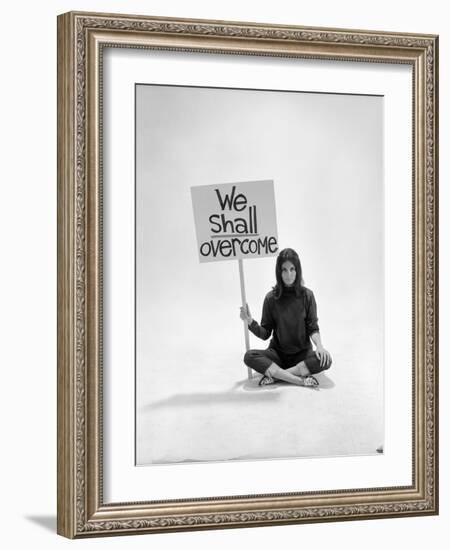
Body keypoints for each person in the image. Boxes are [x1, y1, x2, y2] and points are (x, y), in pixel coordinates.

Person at [240, 248, 332, 387]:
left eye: (292, 269)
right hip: (278, 355)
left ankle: (277, 376)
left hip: (302, 355)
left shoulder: (308, 296)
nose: (288, 274)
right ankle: (299, 380)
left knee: (326, 359)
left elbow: (313, 327)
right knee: (249, 356)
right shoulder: (271, 298)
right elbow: (265, 333)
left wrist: (319, 346)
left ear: (297, 270)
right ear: (279, 272)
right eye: (284, 270)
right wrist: (250, 322)